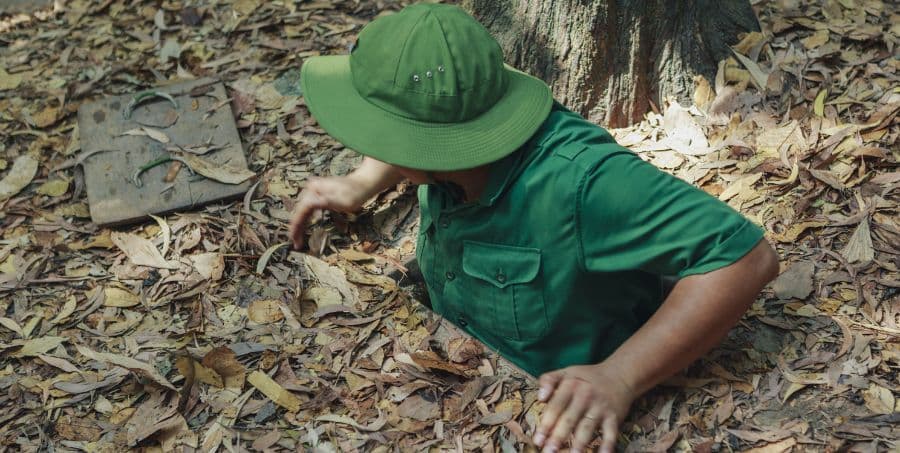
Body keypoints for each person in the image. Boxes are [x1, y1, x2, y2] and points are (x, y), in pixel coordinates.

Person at [288, 3, 779, 453]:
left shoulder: (583, 183)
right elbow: (425, 118)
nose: (376, 145)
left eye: (384, 139)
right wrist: (364, 179)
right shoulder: (460, 124)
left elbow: (744, 257)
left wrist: (621, 376)